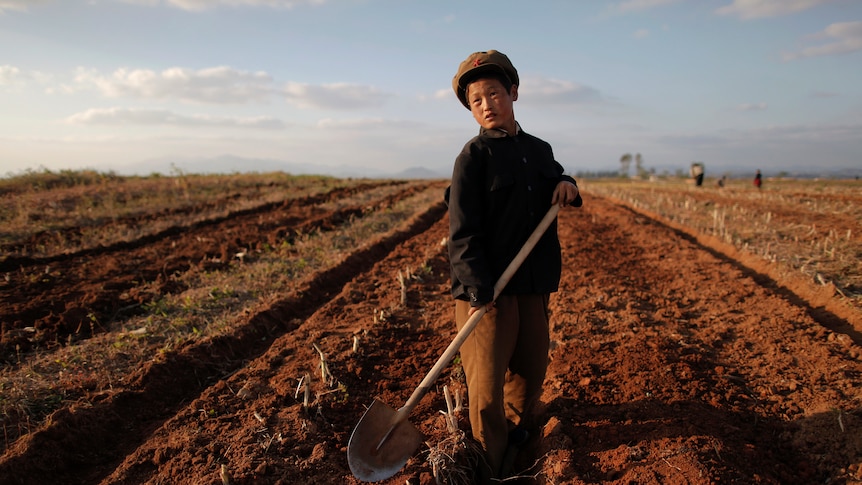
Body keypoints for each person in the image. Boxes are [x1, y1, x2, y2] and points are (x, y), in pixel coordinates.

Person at [446, 50, 582, 482]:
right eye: (476, 101)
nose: (486, 105)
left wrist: (567, 184)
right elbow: (462, 234)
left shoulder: (539, 151)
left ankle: (518, 444)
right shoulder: (472, 158)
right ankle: (489, 467)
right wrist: (477, 290)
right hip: (486, 293)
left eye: (493, 94)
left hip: (532, 284)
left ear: (513, 93)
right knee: (485, 388)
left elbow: (559, 177)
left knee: (531, 369)